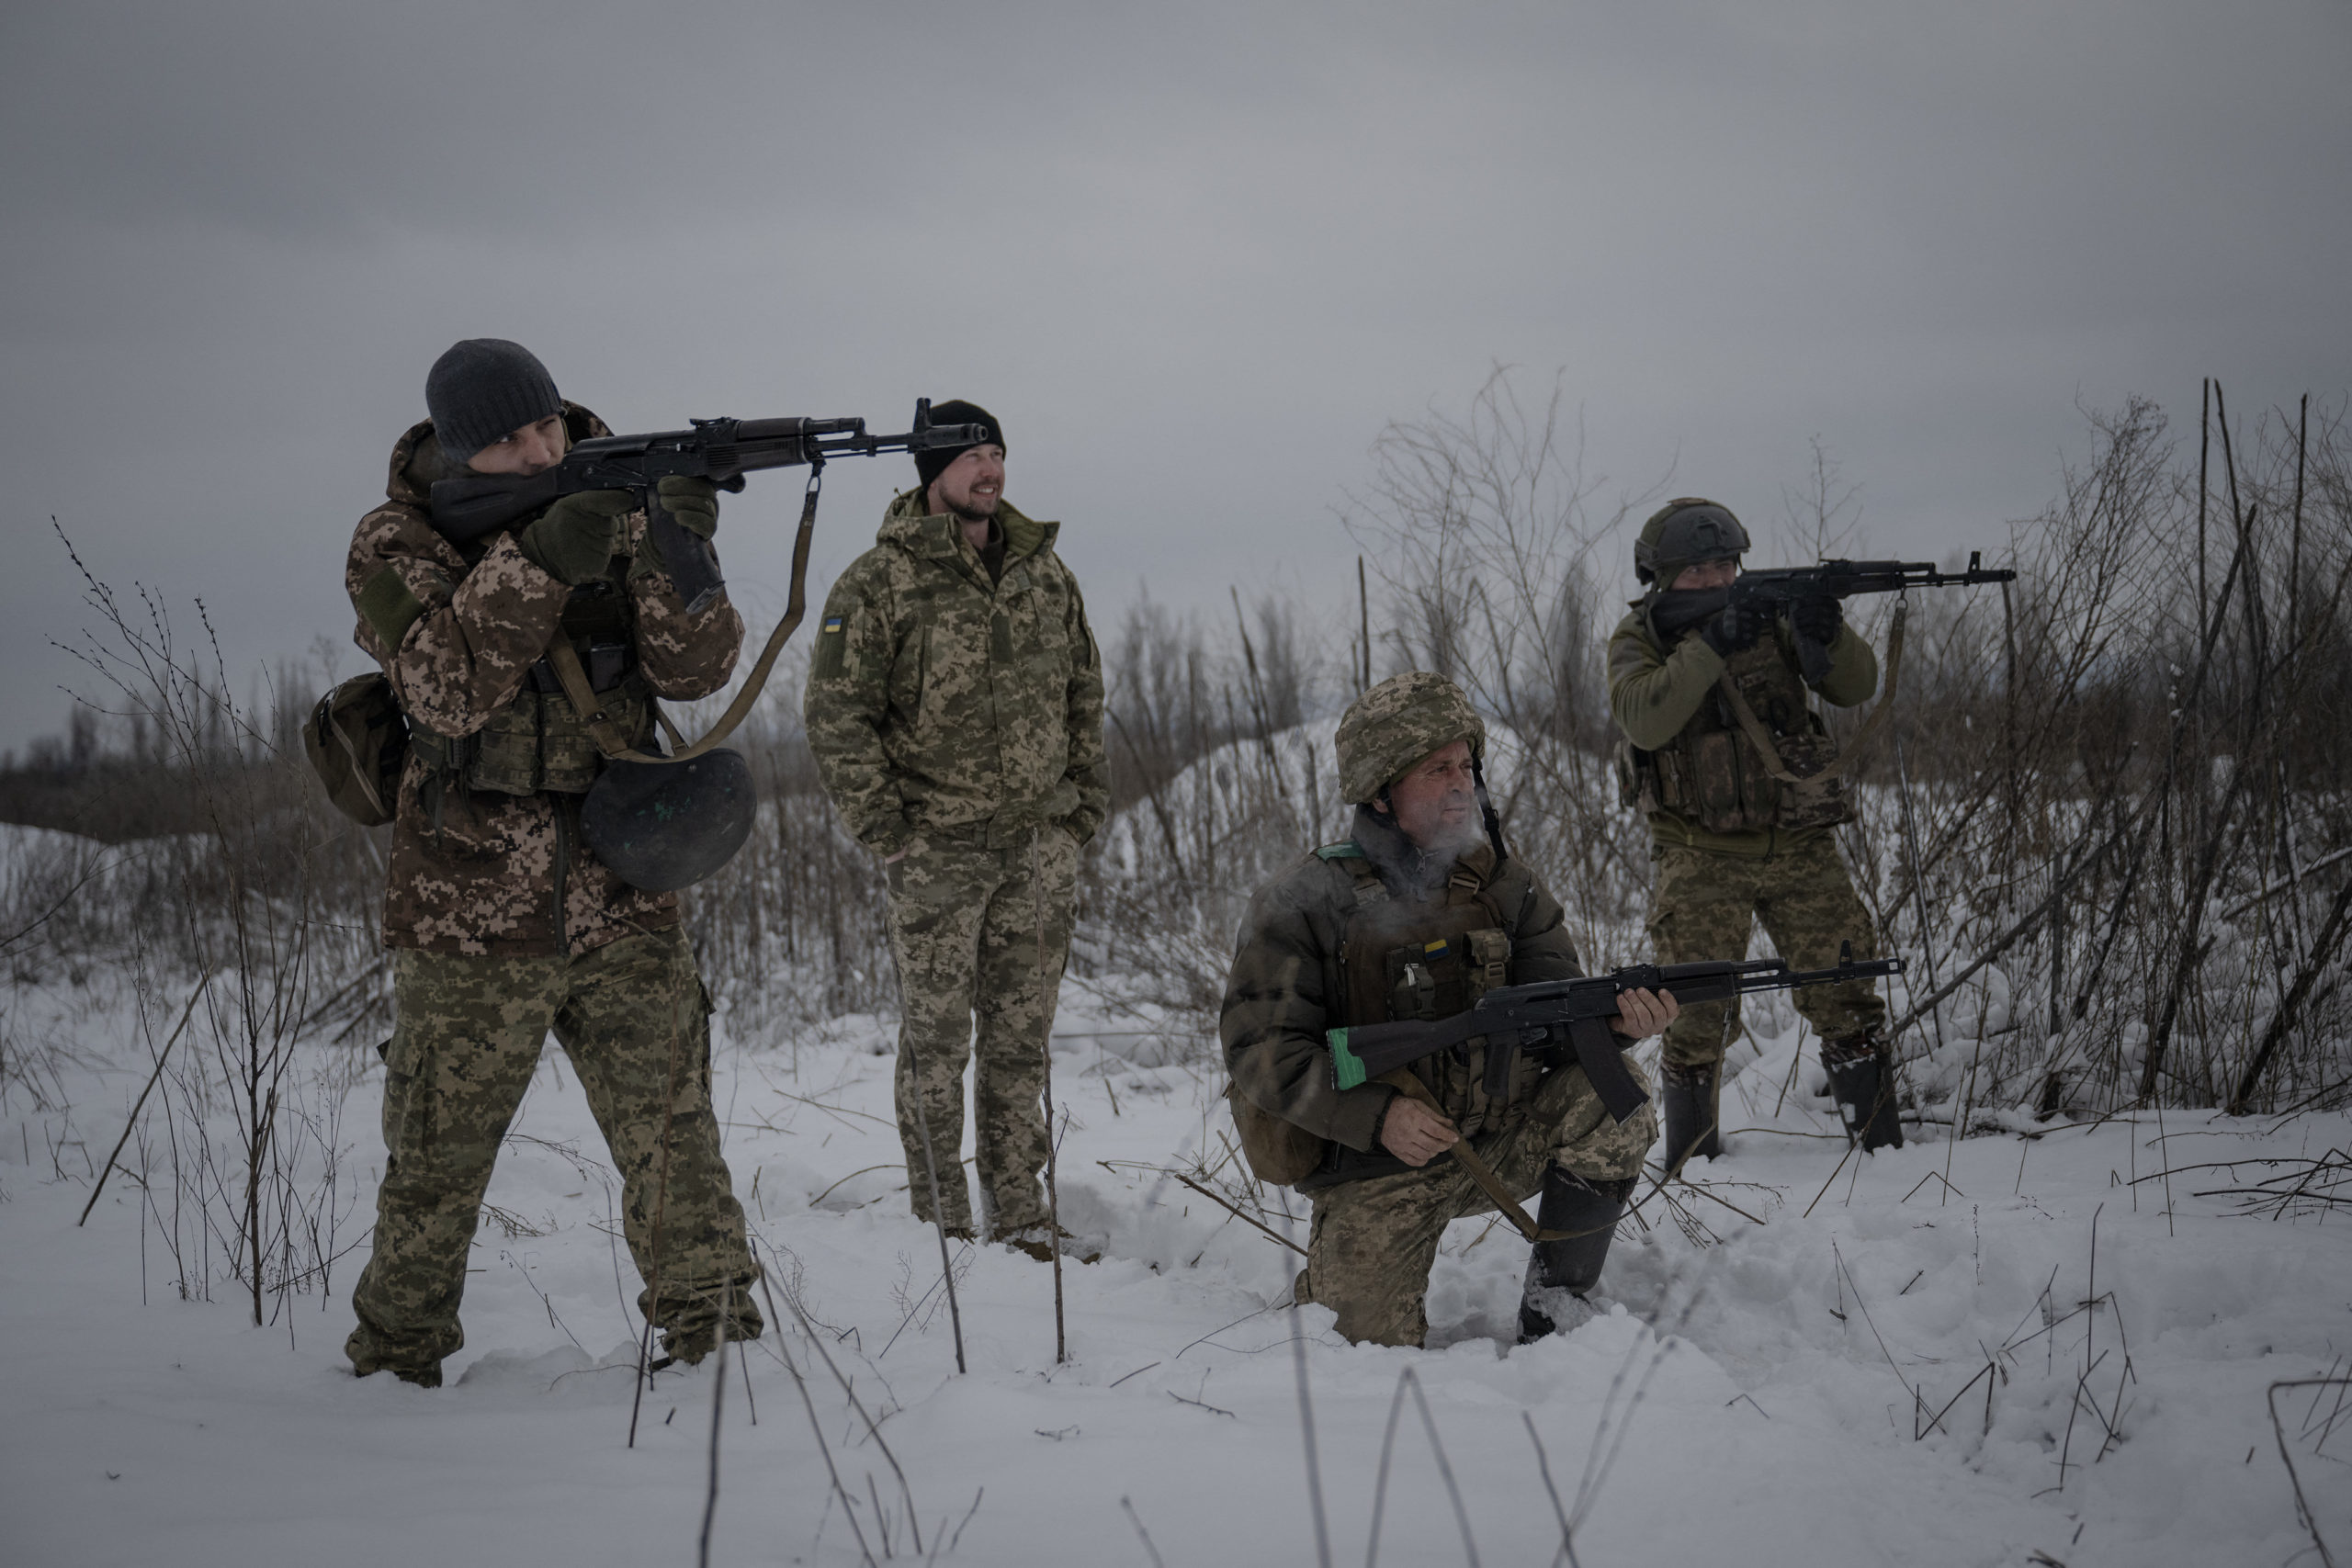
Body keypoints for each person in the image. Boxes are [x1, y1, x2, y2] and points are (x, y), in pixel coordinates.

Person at [341, 338, 762, 1386]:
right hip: (468, 901)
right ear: (458, 451)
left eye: (547, 428)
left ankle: (717, 1350)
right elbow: (444, 692)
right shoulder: (392, 541)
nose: (542, 447)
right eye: (513, 441)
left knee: (674, 1131)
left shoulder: (614, 495)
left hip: (624, 879)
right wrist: (541, 558)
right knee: (438, 1159)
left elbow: (696, 669)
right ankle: (395, 1365)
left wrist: (675, 548)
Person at [1221, 672, 1672, 1348]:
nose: (1462, 782)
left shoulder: (1504, 886)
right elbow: (1262, 1052)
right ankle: (1336, 1273)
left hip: (1493, 1142)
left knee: (1617, 1097)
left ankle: (1556, 1304)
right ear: (1380, 789)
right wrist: (1379, 1118)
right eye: (1437, 768)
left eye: (1466, 764)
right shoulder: (1303, 901)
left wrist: (1614, 1025)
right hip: (1375, 1166)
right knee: (1360, 1354)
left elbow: (1557, 1013)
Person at [802, 401, 1107, 1258]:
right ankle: (938, 1221)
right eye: (973, 455)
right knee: (936, 1048)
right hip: (936, 851)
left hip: (1038, 850)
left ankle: (1022, 1212)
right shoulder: (878, 581)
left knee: (1020, 1042)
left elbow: (1086, 695)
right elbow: (835, 714)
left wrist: (1082, 810)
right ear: (931, 470)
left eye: (998, 453)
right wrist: (885, 827)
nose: (991, 470)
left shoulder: (1046, 575)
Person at [1607, 497, 1900, 1167]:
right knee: (1693, 1015)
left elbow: (1857, 687)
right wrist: (1712, 643)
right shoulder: (1641, 638)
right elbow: (1645, 719)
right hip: (1698, 851)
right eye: (1697, 570)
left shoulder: (1772, 615)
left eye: (1725, 565)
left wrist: (1825, 631)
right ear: (1660, 578)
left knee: (1846, 989)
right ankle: (1695, 1171)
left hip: (1799, 842)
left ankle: (1885, 1160)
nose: (1715, 579)